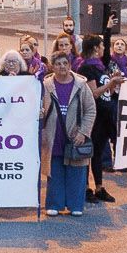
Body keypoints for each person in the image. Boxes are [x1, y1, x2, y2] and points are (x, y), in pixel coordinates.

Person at [38, 48, 97, 216]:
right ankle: (54, 204)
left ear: (70, 65)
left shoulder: (81, 85)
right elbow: (39, 107)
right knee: (54, 171)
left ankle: (75, 205)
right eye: (58, 64)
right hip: (53, 135)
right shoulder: (46, 86)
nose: (62, 66)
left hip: (75, 135)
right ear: (52, 66)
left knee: (76, 172)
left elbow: (91, 110)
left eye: (65, 63)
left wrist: (83, 132)